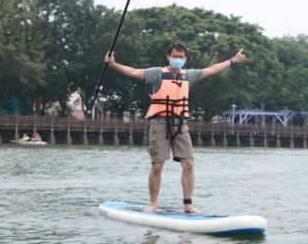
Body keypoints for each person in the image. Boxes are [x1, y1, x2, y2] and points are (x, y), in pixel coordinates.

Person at [105, 41, 246, 214]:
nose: (178, 59)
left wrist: (232, 60)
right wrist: (113, 64)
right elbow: (134, 72)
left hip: (180, 125)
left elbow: (211, 70)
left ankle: (187, 204)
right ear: (168, 57)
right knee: (157, 166)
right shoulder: (157, 73)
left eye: (181, 57)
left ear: (185, 58)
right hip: (159, 123)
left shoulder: (189, 75)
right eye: (175, 56)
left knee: (188, 164)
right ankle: (153, 204)